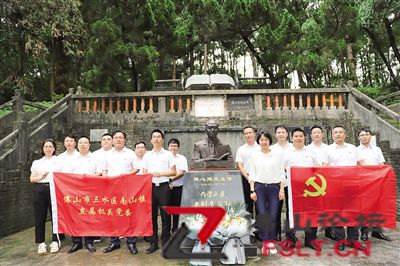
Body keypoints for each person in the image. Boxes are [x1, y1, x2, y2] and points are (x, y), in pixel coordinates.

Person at [326, 125, 366, 251]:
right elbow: (325, 168)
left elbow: (361, 164)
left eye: (340, 132)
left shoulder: (353, 148)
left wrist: (376, 171)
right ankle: (340, 239)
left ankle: (353, 240)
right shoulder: (327, 150)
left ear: (345, 134)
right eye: (335, 132)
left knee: (353, 213)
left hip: (352, 185)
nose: (338, 134)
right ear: (332, 135)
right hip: (335, 186)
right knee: (337, 214)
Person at [282, 128, 321, 250]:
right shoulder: (286, 153)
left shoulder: (311, 152)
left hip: (309, 188)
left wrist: (317, 166)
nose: (298, 138)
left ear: (304, 137)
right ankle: (291, 238)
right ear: (292, 138)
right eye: (296, 136)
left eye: (301, 136)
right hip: (292, 188)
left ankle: (310, 239)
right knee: (291, 213)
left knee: (310, 212)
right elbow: (281, 170)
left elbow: (318, 166)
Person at [103, 130, 140, 255]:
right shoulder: (107, 154)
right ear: (112, 140)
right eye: (116, 137)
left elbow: (136, 169)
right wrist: (107, 180)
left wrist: (125, 175)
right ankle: (114, 241)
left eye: (121, 137)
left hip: (127, 188)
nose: (118, 139)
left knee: (129, 214)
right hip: (112, 189)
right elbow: (104, 170)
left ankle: (131, 242)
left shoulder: (131, 153)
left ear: (124, 140)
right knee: (113, 215)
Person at [248, 131, 286, 255]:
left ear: (270, 141)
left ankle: (271, 241)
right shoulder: (254, 155)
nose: (264, 142)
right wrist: (252, 190)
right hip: (259, 188)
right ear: (258, 141)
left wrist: (281, 189)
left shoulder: (277, 155)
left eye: (266, 140)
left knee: (274, 215)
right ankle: (265, 242)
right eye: (261, 140)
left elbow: (282, 173)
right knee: (263, 215)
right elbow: (251, 174)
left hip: (274, 187)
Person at [67, 136, 105, 254]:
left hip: (90, 192)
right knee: (75, 217)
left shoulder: (95, 158)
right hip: (75, 192)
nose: (83, 144)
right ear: (77, 145)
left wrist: (87, 177)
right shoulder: (72, 159)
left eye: (85, 143)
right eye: (81, 143)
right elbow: (67, 175)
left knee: (89, 216)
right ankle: (76, 243)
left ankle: (89, 242)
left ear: (89, 145)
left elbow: (99, 173)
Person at [143, 129, 176, 254]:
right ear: (151, 140)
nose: (156, 139)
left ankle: (166, 243)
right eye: (154, 137)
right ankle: (153, 243)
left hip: (164, 187)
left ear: (162, 140)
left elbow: (173, 172)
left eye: (158, 137)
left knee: (166, 216)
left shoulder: (168, 154)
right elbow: (144, 173)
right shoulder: (147, 155)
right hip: (150, 187)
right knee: (151, 217)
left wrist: (160, 173)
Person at [356, 128, 391, 242]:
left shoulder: (377, 149)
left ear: (370, 136)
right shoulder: (356, 150)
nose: (365, 136)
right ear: (359, 137)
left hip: (377, 181)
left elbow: (382, 164)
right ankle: (364, 232)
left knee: (377, 207)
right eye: (362, 135)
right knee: (365, 208)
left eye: (367, 134)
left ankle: (377, 232)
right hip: (364, 182)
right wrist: (373, 173)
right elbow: (361, 164)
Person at [30, 139, 60, 254]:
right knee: (39, 217)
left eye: (50, 146)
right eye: (46, 146)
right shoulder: (37, 162)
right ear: (43, 149)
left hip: (55, 189)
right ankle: (41, 243)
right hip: (40, 189)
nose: (48, 148)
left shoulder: (59, 161)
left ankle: (55, 241)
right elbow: (32, 179)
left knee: (55, 216)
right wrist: (41, 176)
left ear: (54, 148)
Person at [306, 126, 333, 241]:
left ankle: (329, 230)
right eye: (314, 133)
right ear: (311, 135)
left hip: (328, 181)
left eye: (318, 132)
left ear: (322, 135)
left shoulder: (329, 148)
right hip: (312, 183)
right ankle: (312, 233)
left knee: (328, 207)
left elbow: (333, 163)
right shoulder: (306, 149)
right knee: (313, 209)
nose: (316, 134)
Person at [270, 125, 293, 241]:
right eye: (278, 132)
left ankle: (290, 234)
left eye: (283, 132)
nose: (281, 134)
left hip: (292, 181)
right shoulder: (272, 149)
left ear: (287, 134)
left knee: (291, 209)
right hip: (276, 181)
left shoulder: (292, 147)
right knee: (276, 208)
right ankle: (276, 232)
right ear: (275, 135)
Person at [236, 126, 260, 217]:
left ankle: (259, 229)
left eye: (250, 132)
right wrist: (248, 177)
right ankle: (249, 228)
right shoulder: (241, 149)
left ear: (254, 133)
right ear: (244, 135)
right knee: (247, 204)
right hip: (246, 178)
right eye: (246, 133)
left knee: (259, 204)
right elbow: (240, 165)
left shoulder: (260, 147)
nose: (248, 135)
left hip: (259, 178)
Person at [167, 138, 189, 232]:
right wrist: (167, 182)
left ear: (178, 147)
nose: (173, 148)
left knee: (177, 210)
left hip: (178, 188)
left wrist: (170, 180)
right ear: (168, 147)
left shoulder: (182, 158)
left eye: (175, 146)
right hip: (165, 188)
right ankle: (166, 231)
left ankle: (175, 229)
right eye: (171, 146)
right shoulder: (164, 157)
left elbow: (181, 173)